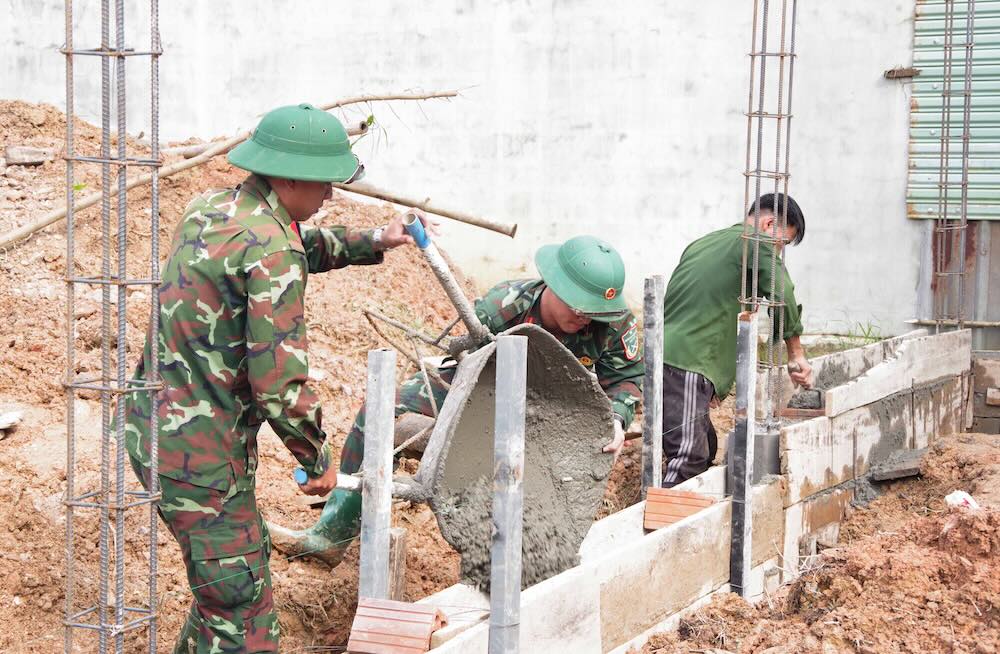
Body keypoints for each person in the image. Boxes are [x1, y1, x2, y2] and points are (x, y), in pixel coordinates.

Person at [123, 103, 432, 653]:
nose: (331, 195)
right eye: (324, 183)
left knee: (228, 589)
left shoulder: (211, 209)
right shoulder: (273, 249)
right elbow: (280, 384)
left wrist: (374, 240)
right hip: (201, 459)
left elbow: (291, 246)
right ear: (288, 176)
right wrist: (317, 460)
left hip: (152, 430)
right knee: (243, 614)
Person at [269, 235, 644, 565]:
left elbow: (625, 380)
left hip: (555, 407)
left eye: (592, 311)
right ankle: (334, 530)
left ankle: (540, 554)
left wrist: (616, 417)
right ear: (554, 286)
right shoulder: (505, 305)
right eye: (577, 308)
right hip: (481, 379)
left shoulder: (612, 323)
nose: (584, 318)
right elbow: (461, 360)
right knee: (383, 413)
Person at [660, 192, 814, 486]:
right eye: (781, 245)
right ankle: (660, 527)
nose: (777, 253)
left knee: (705, 448)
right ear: (769, 225)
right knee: (688, 457)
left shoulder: (707, 242)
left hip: (669, 356)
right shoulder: (755, 242)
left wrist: (715, 381)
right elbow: (782, 294)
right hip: (690, 361)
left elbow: (709, 303)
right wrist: (795, 353)